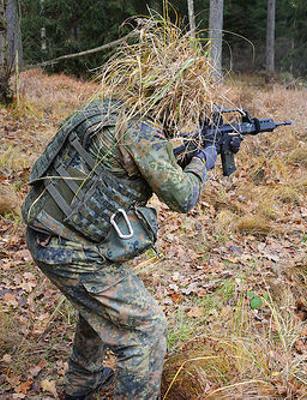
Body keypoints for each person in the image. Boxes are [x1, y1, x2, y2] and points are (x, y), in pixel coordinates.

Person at [21, 18, 220, 400]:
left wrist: (181, 152)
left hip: (47, 231)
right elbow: (183, 197)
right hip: (69, 248)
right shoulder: (141, 132)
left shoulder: (106, 109)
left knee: (100, 305)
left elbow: (121, 163)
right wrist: (202, 162)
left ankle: (82, 381)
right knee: (147, 330)